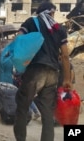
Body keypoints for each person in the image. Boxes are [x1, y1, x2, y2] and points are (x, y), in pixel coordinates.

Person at [13, 2, 72, 141]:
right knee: (47, 113)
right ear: (52, 12)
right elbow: (65, 55)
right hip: (52, 72)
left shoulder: (31, 22)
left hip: (35, 70)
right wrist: (67, 79)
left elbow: (19, 40)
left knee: (22, 106)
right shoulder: (59, 29)